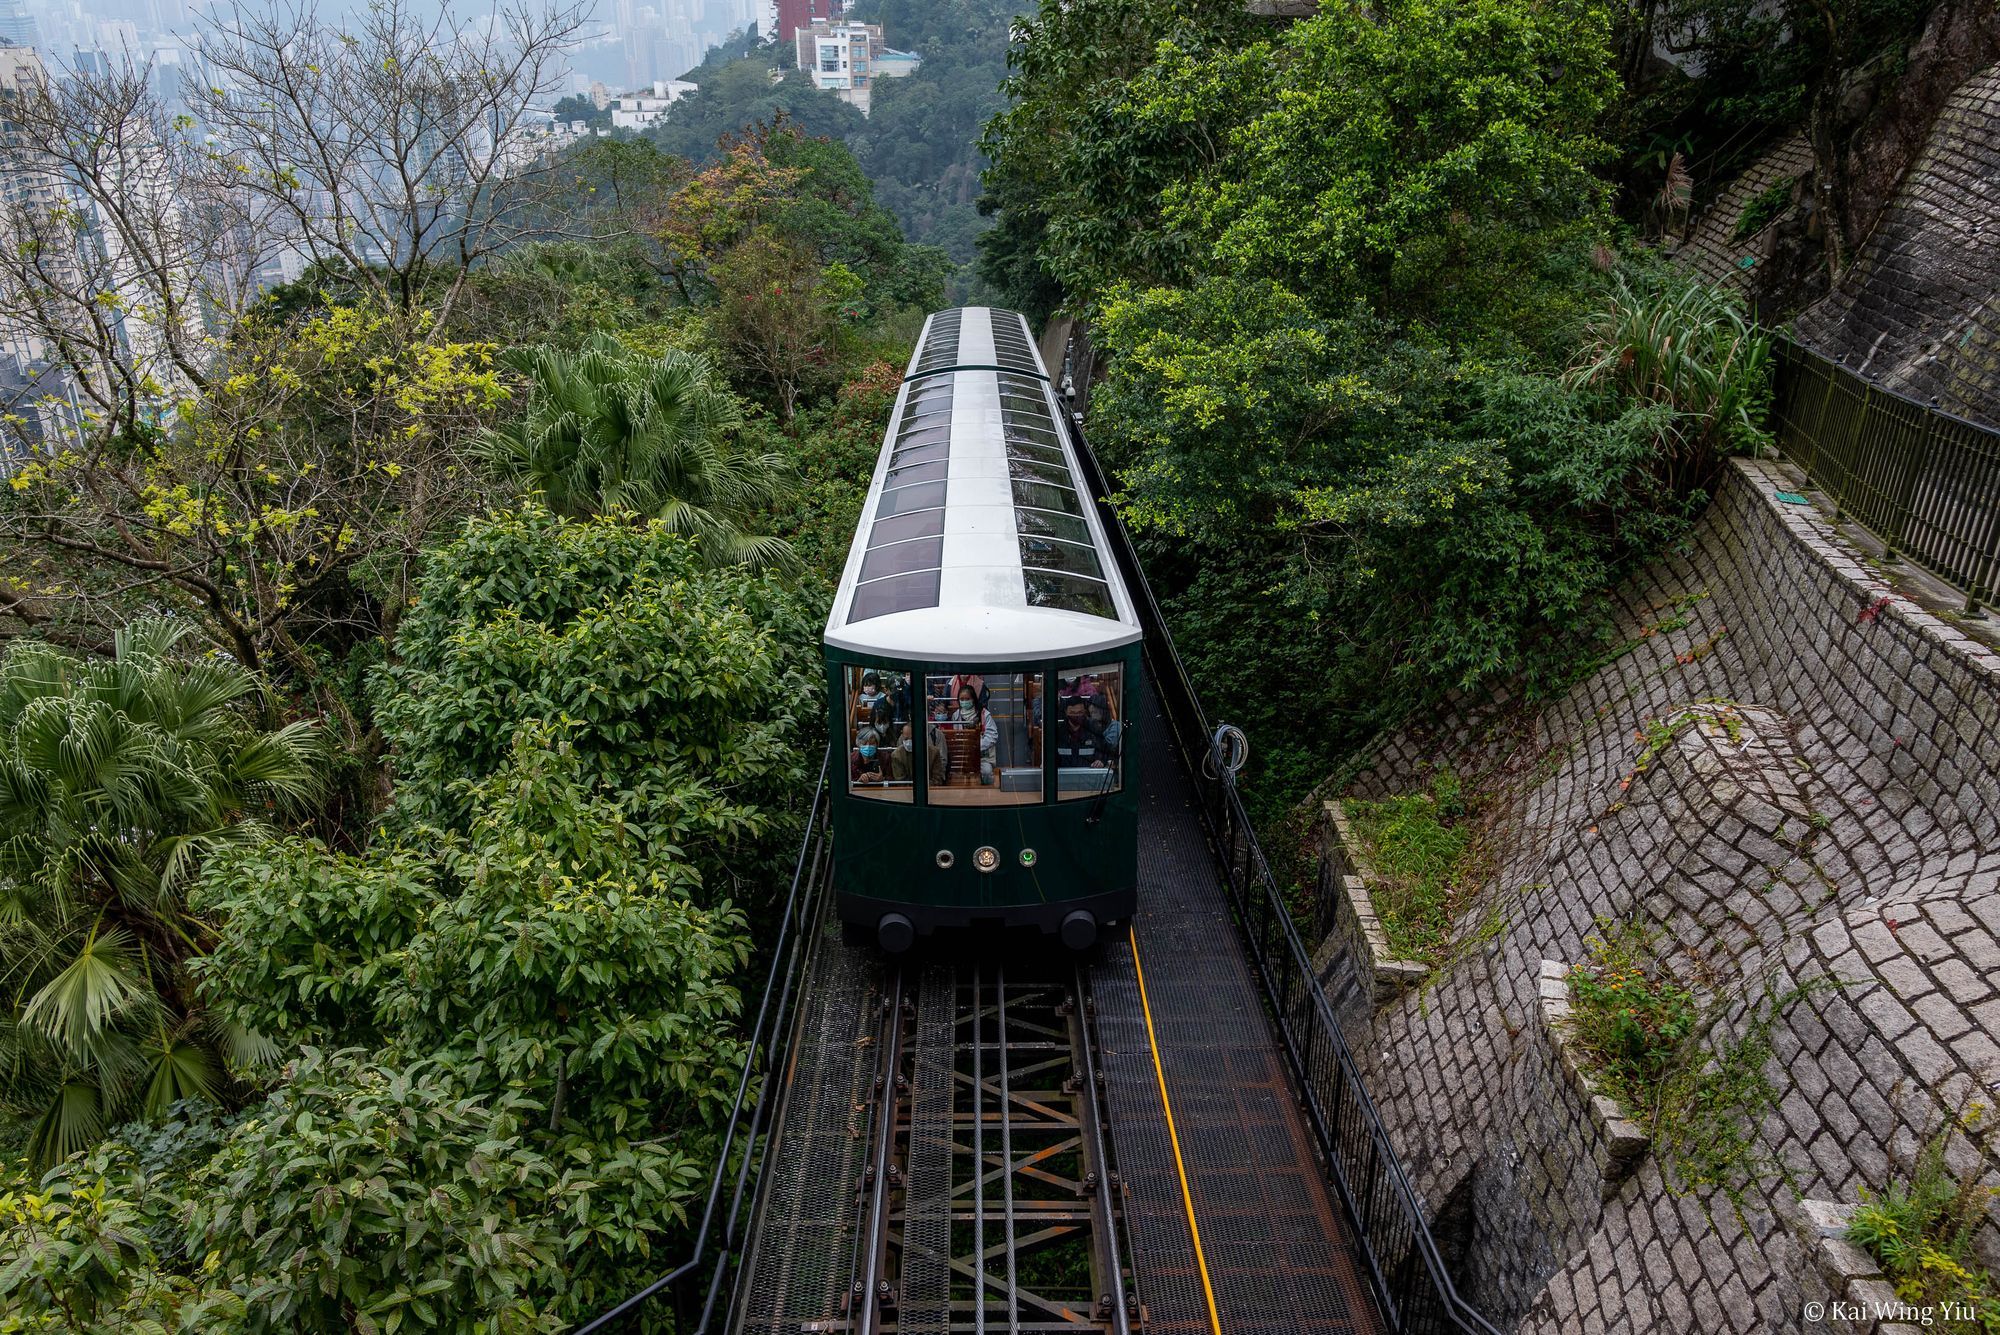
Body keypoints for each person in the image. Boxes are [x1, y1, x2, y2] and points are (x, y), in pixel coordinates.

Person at [932, 685, 997, 784]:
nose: (964, 702)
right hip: (962, 756)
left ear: (973, 699)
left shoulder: (984, 714)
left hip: (982, 757)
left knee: (987, 772)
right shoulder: (956, 715)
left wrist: (976, 746)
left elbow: (992, 735)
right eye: (962, 699)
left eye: (967, 699)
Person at [1055, 697, 1109, 769]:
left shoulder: (1094, 730)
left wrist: (1101, 761)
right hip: (1063, 774)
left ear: (1085, 712)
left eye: (1079, 712)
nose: (1076, 716)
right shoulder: (1058, 732)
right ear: (1066, 712)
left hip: (1089, 774)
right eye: (1072, 713)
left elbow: (1104, 752)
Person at [872, 697, 912, 781]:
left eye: (884, 722)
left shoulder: (894, 736)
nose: (882, 726)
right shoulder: (872, 736)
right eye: (879, 722)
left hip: (893, 767)